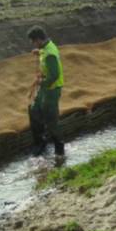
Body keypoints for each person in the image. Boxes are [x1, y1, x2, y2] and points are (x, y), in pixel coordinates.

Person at [27, 25, 65, 157]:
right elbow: (44, 53)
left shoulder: (50, 54)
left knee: (51, 120)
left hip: (52, 90)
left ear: (38, 39)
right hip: (45, 89)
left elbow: (54, 75)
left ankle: (59, 150)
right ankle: (40, 143)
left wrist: (41, 82)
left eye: (33, 41)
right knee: (33, 109)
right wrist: (39, 52)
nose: (33, 44)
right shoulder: (46, 47)